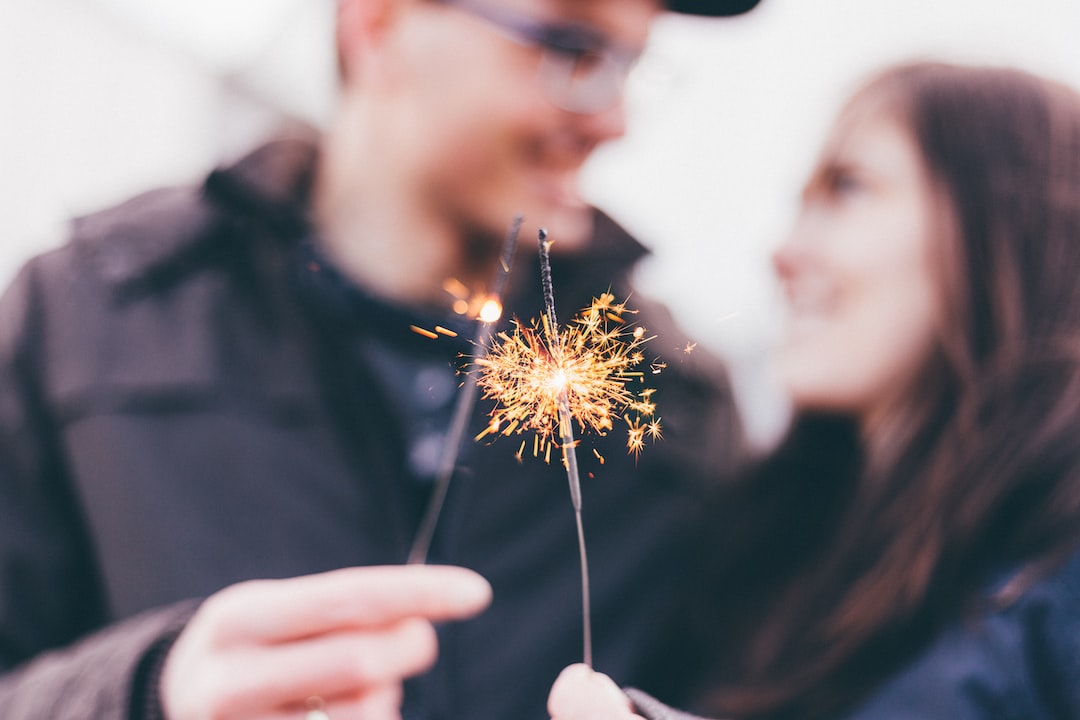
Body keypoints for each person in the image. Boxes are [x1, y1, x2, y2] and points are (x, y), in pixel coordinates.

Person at [0, 0, 759, 718]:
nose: (613, 120)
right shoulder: (83, 319)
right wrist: (149, 693)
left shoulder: (677, 410)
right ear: (380, 24)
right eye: (570, 48)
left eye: (633, 64)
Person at [547, 60, 1080, 720]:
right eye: (802, 204)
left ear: (1013, 225)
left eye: (849, 189)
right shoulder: (766, 545)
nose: (785, 253)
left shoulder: (1058, 574)